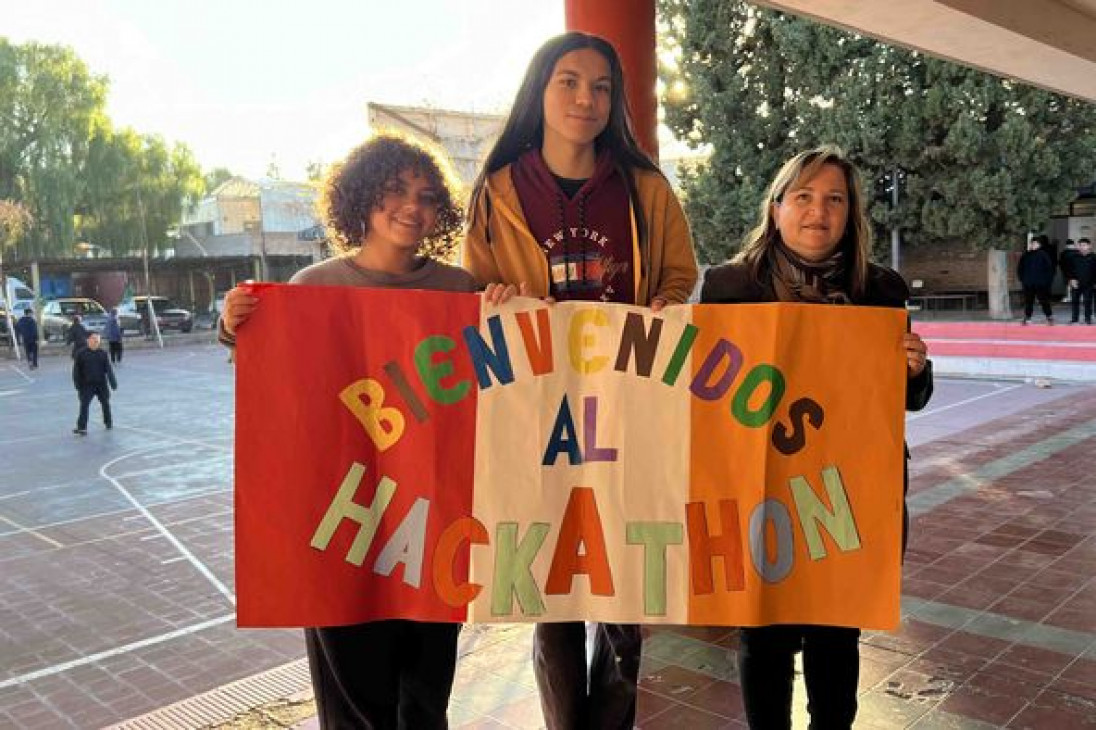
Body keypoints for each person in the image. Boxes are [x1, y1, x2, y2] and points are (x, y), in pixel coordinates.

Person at [220, 133, 518, 729]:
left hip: (432, 528)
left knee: (427, 698)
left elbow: (506, 392)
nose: (412, 205)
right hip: (339, 525)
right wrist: (234, 327)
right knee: (354, 705)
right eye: (394, 191)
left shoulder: (461, 291)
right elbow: (278, 398)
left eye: (427, 196)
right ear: (360, 199)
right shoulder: (310, 288)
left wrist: (509, 311)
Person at [462, 31, 698, 730]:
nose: (585, 98)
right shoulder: (498, 192)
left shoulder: (646, 190)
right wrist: (490, 301)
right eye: (568, 81)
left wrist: (670, 305)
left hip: (628, 409)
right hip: (535, 413)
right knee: (554, 591)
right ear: (539, 91)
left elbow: (682, 279)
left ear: (614, 102)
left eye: (600, 87)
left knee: (627, 591)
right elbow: (469, 292)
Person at [699, 146, 933, 730]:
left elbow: (910, 401)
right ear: (777, 208)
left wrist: (914, 368)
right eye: (802, 197)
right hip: (762, 488)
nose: (817, 212)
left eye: (834, 199)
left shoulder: (880, 288)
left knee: (836, 632)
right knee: (764, 632)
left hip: (849, 491)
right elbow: (699, 392)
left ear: (851, 214)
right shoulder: (728, 287)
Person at [72, 332, 116, 435]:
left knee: (105, 403)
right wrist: (77, 385)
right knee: (84, 405)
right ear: (88, 340)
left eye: (97, 340)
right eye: (93, 339)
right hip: (87, 385)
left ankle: (108, 422)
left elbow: (108, 369)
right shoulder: (81, 354)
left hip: (101, 384)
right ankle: (82, 427)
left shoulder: (103, 353)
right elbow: (76, 371)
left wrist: (113, 383)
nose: (96, 341)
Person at [1017, 235, 1055, 325]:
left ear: (1039, 245)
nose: (1033, 245)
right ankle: (1028, 317)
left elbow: (1049, 269)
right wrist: (1022, 279)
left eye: (1035, 243)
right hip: (1028, 283)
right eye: (1032, 243)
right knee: (1028, 301)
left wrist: (1047, 281)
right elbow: (1020, 268)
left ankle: (1049, 317)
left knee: (1044, 301)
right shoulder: (1026, 255)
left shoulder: (1043, 255)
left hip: (1041, 284)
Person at [1066, 238, 1096, 324]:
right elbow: (1069, 270)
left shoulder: (1094, 258)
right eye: (1080, 245)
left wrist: (1095, 282)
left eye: (1084, 245)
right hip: (1076, 283)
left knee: (1088, 301)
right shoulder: (1074, 257)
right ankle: (1074, 318)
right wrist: (1071, 279)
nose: (1082, 247)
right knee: (1074, 301)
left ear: (1089, 246)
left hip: (1089, 283)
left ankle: (1087, 318)